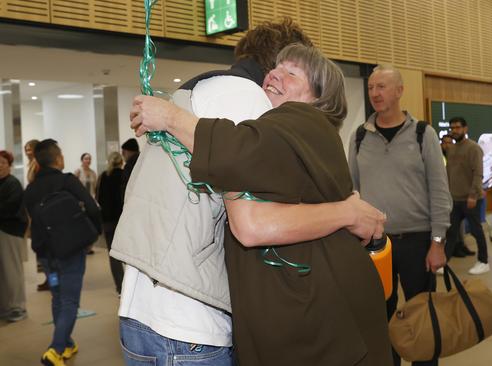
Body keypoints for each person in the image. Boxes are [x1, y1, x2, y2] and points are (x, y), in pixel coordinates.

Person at [130, 43, 392, 366]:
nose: (275, 75)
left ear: (319, 99)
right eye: (276, 67)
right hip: (317, 322)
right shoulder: (283, 136)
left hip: (321, 330)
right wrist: (348, 213)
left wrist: (169, 117)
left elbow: (239, 153)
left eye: (291, 72)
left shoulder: (307, 120)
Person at [346, 64, 452, 366]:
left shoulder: (423, 134)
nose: (375, 93)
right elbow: (351, 189)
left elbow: (439, 190)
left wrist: (438, 241)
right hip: (375, 244)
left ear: (399, 91)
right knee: (381, 315)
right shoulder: (359, 137)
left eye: (382, 87)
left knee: (422, 314)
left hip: (417, 241)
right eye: (371, 88)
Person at [24, 139, 102, 366]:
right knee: (69, 300)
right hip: (70, 252)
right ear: (58, 159)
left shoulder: (30, 189)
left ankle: (66, 342)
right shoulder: (67, 181)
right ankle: (55, 349)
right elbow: (92, 207)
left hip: (46, 256)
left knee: (58, 297)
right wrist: (92, 233)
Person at [445, 116, 490, 274]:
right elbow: (449, 173)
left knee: (476, 231)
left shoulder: (473, 148)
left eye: (458, 127)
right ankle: (444, 262)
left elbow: (478, 173)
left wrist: (472, 194)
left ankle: (484, 261)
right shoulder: (451, 149)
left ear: (465, 129)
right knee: (451, 232)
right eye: (452, 128)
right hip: (455, 199)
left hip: (470, 199)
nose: (455, 131)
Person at [0, 150, 28, 322]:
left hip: (11, 232)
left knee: (12, 271)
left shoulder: (13, 183)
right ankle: (5, 306)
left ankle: (18, 307)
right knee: (2, 273)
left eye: (3, 163)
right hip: (2, 231)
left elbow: (9, 208)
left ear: (9, 165)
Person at [95, 152, 124, 294]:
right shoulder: (124, 175)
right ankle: (132, 288)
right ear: (121, 162)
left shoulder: (103, 177)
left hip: (107, 221)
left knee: (114, 256)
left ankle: (120, 287)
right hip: (122, 221)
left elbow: (98, 197)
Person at [25, 139, 49, 291]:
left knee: (43, 248)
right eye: (26, 149)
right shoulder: (32, 164)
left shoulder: (38, 165)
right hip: (35, 210)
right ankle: (49, 277)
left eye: (30, 149)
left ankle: (51, 278)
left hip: (40, 210)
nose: (28, 152)